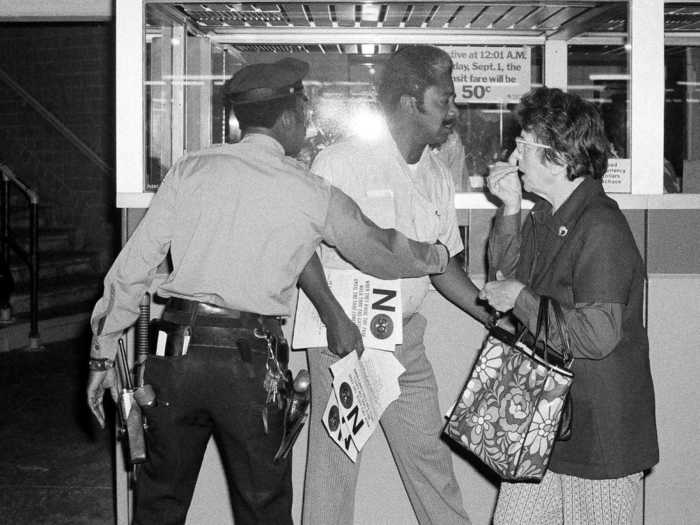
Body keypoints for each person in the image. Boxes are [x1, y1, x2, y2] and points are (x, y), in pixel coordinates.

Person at [85, 57, 452, 525]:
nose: (308, 123)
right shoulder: (308, 190)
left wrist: (102, 355)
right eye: (305, 113)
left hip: (175, 355)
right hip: (250, 367)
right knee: (263, 508)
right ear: (289, 117)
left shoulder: (191, 169)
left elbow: (131, 269)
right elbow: (379, 250)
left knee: (159, 503)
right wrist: (436, 256)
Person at [301, 45, 489, 525]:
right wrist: (335, 321)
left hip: (405, 339)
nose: (453, 110)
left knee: (431, 459)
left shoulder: (437, 176)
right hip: (343, 341)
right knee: (335, 466)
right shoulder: (340, 162)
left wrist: (495, 317)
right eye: (443, 99)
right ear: (409, 101)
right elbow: (301, 253)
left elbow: (442, 265)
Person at [481, 87, 658, 524]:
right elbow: (507, 272)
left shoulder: (601, 227)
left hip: (597, 433)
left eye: (524, 145)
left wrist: (520, 299)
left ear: (560, 157)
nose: (514, 155)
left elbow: (596, 335)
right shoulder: (548, 214)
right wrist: (508, 208)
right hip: (545, 419)